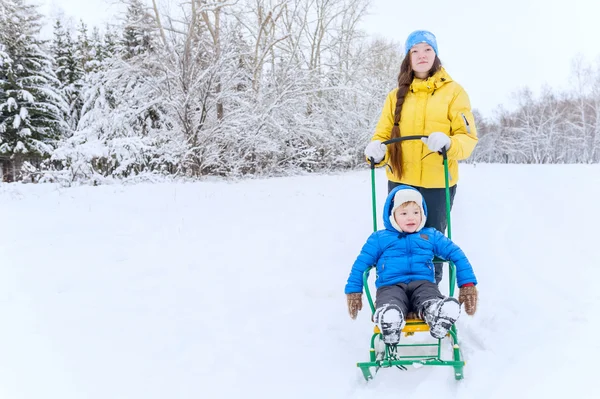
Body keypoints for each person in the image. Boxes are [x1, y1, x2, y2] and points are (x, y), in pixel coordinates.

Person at [364, 30, 478, 284]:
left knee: (429, 241)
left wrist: (450, 143)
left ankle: (430, 293)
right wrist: (376, 152)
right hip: (401, 180)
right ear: (408, 58)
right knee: (399, 237)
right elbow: (382, 135)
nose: (421, 55)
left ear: (436, 54)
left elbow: (468, 139)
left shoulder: (454, 93)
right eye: (415, 51)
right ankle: (396, 290)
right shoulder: (395, 97)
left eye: (427, 49)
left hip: (438, 184)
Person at [344, 185, 478, 345]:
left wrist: (467, 284)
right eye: (404, 213)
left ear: (423, 214)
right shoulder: (379, 238)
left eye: (416, 212)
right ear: (392, 215)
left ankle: (436, 313)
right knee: (390, 300)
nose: (411, 218)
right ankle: (389, 319)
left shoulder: (430, 235)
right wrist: (354, 291)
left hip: (423, 284)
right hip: (390, 285)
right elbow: (361, 264)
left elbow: (456, 254)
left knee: (429, 297)